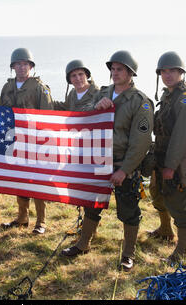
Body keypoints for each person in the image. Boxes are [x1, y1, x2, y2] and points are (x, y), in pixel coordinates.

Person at [61, 50, 154, 271]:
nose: (115, 73)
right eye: (112, 69)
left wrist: (126, 170)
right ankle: (83, 244)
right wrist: (96, 107)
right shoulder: (103, 93)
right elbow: (83, 118)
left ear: (131, 72)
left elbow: (140, 142)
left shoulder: (141, 102)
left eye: (120, 69)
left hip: (124, 165)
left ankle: (128, 254)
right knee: (92, 205)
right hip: (99, 161)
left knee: (128, 211)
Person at [152, 51, 186, 263]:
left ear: (181, 72)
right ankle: (165, 230)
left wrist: (171, 166)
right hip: (162, 155)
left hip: (178, 161)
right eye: (164, 71)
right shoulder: (168, 95)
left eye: (172, 71)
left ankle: (181, 252)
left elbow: (182, 137)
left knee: (179, 204)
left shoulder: (185, 99)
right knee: (157, 193)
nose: (168, 75)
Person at [0, 48, 54, 235]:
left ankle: (41, 221)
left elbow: (48, 117)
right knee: (20, 180)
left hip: (36, 142)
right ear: (13, 67)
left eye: (25, 64)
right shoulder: (7, 87)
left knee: (37, 181)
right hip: (15, 140)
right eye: (18, 64)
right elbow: (0, 113)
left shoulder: (40, 88)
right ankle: (22, 218)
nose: (22, 67)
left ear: (31, 66)